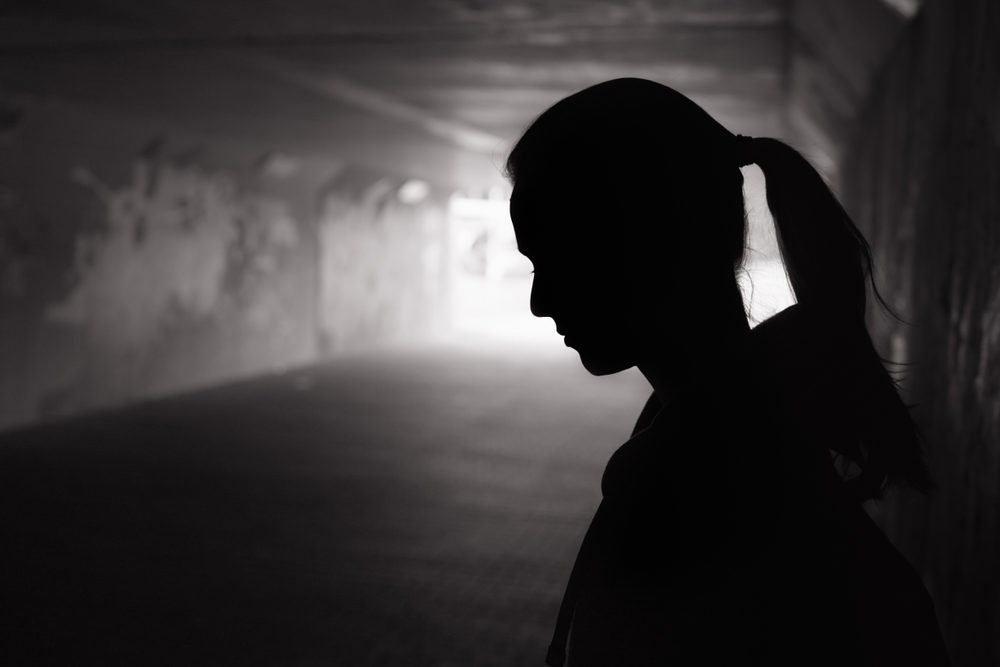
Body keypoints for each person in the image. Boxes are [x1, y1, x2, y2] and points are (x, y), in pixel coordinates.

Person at [506, 78, 950, 666]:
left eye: (558, 261)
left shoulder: (695, 495)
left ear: (643, 247)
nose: (540, 301)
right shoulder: (756, 434)